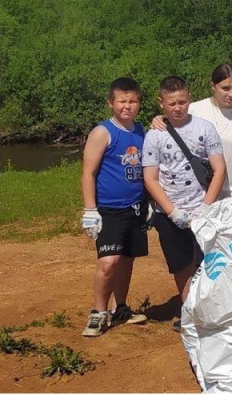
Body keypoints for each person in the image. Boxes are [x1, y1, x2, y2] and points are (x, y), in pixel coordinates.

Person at [142, 76, 226, 332]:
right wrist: (172, 211)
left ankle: (211, 311)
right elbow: (150, 178)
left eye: (182, 102)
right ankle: (190, 311)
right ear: (161, 103)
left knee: (207, 262)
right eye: (172, 103)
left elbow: (219, 170)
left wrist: (206, 206)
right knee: (181, 264)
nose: (177, 108)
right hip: (169, 212)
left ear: (189, 99)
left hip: (203, 208)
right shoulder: (153, 136)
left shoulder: (205, 128)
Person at [79, 77, 151, 337]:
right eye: (122, 101)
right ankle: (98, 312)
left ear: (139, 103)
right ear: (111, 102)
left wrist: (150, 202)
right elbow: (88, 173)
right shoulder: (102, 132)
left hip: (136, 208)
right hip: (109, 209)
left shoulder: (141, 131)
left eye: (132, 101)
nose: (127, 106)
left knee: (126, 260)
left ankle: (121, 308)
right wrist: (90, 210)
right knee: (108, 262)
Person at [152, 63, 232, 202]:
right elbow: (173, 121)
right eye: (225, 88)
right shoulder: (195, 109)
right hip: (198, 195)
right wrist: (160, 119)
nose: (231, 94)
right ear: (213, 86)